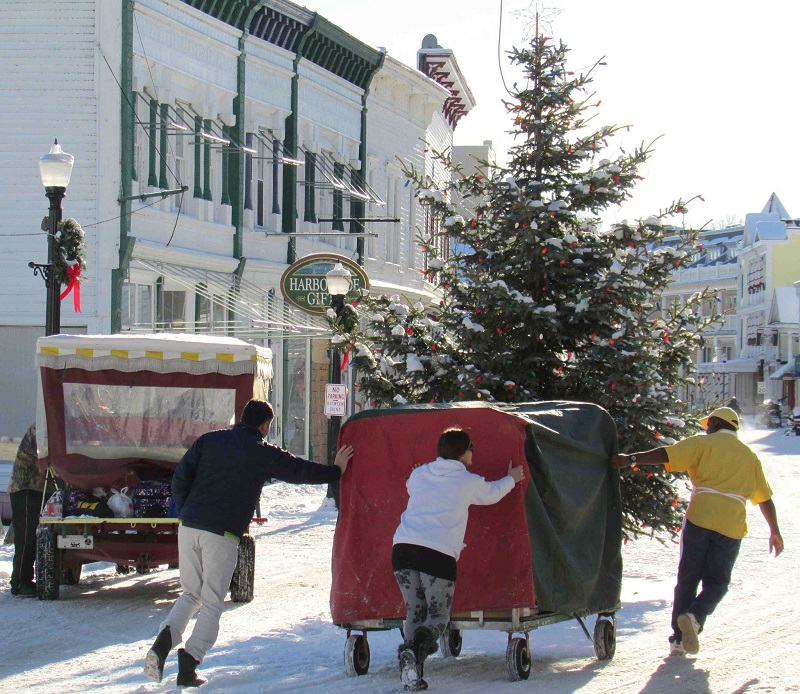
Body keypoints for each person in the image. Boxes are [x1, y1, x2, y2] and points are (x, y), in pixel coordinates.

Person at [144, 399, 354, 687]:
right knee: (212, 601)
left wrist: (187, 510)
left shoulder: (209, 440)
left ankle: (161, 645)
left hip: (190, 527)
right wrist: (335, 471)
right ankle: (190, 662)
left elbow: (181, 476)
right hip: (223, 533)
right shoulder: (261, 452)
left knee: (190, 593)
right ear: (265, 425)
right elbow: (297, 470)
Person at [611, 406, 783, 657]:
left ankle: (679, 639)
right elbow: (765, 498)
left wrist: (632, 459)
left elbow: (665, 454)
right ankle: (695, 615)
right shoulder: (749, 457)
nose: (706, 428)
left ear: (714, 423)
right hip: (730, 525)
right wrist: (774, 531)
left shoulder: (704, 444)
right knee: (718, 582)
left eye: (708, 424)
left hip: (700, 517)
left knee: (688, 578)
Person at [392, 427, 525, 691]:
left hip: (403, 549)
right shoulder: (466, 481)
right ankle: (415, 650)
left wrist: (421, 474)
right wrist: (512, 478)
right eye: (471, 448)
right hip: (437, 553)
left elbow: (410, 485)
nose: (473, 453)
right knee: (438, 616)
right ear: (463, 453)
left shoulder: (420, 474)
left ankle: (412, 672)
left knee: (415, 611)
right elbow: (492, 493)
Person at [8, 424, 44, 598]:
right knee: (27, 537)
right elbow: (46, 453)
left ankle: (25, 580)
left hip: (40, 489)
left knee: (35, 537)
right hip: (26, 488)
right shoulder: (40, 426)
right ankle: (20, 582)